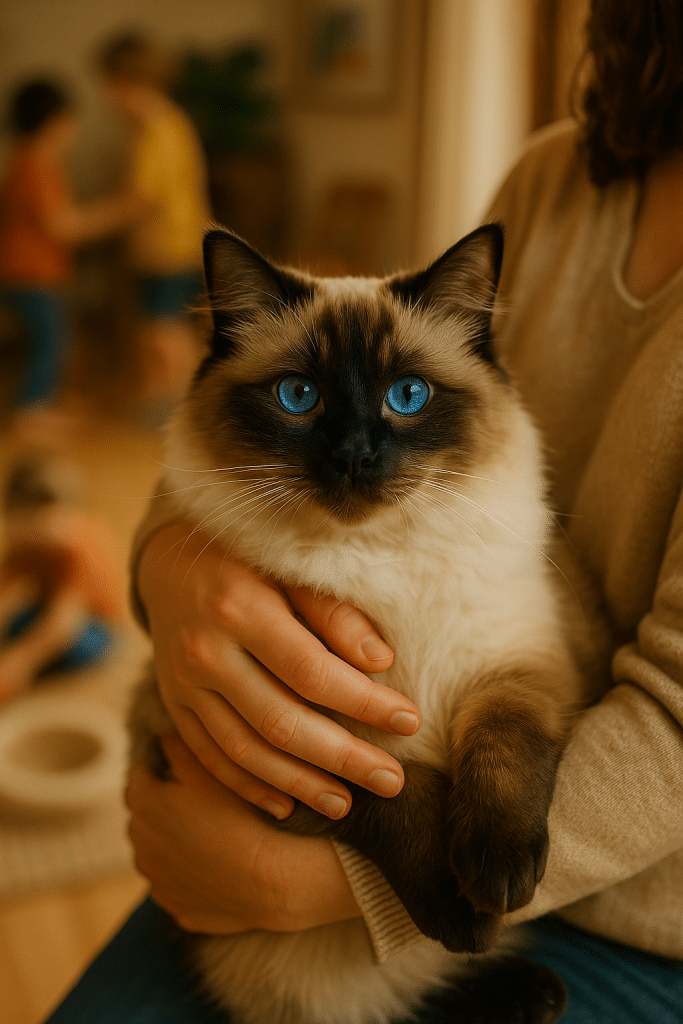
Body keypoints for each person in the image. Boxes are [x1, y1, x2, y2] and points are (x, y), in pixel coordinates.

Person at [47, 1, 683, 1020]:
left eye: (399, 406)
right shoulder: (558, 175)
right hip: (316, 870)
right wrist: (168, 560)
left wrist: (302, 884)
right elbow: (216, 442)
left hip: (630, 897)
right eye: (301, 403)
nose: (355, 453)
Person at [0, 78, 146, 437]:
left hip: (36, 273)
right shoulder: (34, 165)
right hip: (27, 275)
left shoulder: (33, 161)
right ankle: (29, 410)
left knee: (56, 336)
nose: (74, 130)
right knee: (50, 339)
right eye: (70, 121)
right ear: (54, 123)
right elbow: (63, 226)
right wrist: (123, 210)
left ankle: (46, 399)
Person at [96, 31, 212, 417]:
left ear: (128, 83)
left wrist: (84, 224)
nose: (108, 99)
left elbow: (141, 201)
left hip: (171, 247)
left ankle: (187, 405)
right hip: (156, 248)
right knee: (153, 329)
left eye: (109, 87)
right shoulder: (163, 125)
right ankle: (159, 401)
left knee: (166, 331)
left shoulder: (160, 131)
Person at [0, 454, 125, 704]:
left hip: (94, 624)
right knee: (16, 626)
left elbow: (64, 621)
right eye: (27, 528)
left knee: (78, 648)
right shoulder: (27, 543)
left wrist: (21, 662)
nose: (35, 537)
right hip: (51, 606)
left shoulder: (82, 548)